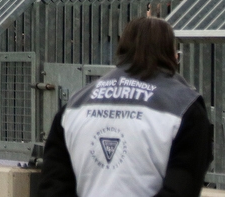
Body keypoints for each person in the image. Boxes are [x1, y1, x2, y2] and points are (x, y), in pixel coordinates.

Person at [40, 17, 212, 197]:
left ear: (121, 50)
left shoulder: (75, 105)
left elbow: (53, 185)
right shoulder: (185, 106)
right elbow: (182, 187)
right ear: (173, 55)